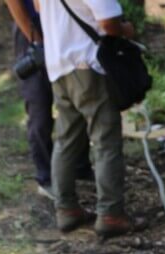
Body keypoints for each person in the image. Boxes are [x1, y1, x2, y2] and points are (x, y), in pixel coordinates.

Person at [37, 0, 137, 236]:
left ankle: (66, 209)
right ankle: (111, 213)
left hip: (58, 65)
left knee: (66, 140)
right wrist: (126, 30)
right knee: (106, 141)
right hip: (87, 64)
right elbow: (109, 22)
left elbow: (40, 7)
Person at [3, 0, 93, 199]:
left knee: (77, 95)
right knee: (39, 106)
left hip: (63, 22)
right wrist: (34, 38)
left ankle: (80, 165)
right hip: (33, 29)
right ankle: (46, 176)